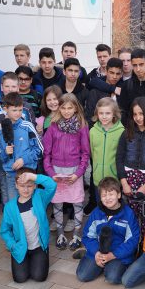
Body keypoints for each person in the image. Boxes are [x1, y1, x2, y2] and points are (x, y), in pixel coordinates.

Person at [43, 94, 91, 251]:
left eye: (70, 107)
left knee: (77, 203)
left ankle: (77, 234)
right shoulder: (53, 126)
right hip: (56, 172)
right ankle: (60, 233)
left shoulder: (82, 126)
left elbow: (85, 153)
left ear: (76, 107)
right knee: (57, 203)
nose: (66, 111)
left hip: (74, 172)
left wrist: (78, 174)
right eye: (63, 107)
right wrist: (51, 174)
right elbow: (46, 154)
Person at [76, 177, 139, 284]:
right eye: (104, 195)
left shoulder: (128, 214)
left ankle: (109, 266)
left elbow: (132, 241)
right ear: (100, 197)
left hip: (118, 254)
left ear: (119, 195)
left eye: (111, 194)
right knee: (83, 276)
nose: (107, 198)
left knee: (113, 278)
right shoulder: (96, 212)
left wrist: (112, 255)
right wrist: (96, 253)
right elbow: (88, 235)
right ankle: (91, 257)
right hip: (99, 251)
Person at [116, 97, 145, 236]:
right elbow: (119, 158)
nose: (138, 117)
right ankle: (128, 247)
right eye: (135, 114)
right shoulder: (126, 133)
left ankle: (144, 249)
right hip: (128, 180)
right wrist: (124, 183)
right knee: (128, 218)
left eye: (141, 113)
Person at [0, 169, 56, 283]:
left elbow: (52, 185)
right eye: (22, 186)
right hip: (20, 247)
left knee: (39, 277)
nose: (25, 189)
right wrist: (12, 245)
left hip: (38, 247)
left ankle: (38, 257)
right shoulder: (10, 207)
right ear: (16, 185)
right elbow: (4, 231)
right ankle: (26, 259)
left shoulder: (40, 197)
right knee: (20, 278)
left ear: (35, 186)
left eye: (29, 186)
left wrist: (33, 176)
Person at [0, 92, 43, 203]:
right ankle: (15, 220)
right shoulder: (0, 130)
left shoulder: (27, 126)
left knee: (30, 203)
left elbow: (39, 150)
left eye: (20, 110)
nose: (18, 113)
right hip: (11, 174)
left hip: (28, 172)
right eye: (14, 110)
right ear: (6, 109)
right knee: (13, 203)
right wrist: (5, 152)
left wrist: (24, 159)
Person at [88, 98, 125, 212]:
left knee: (114, 207)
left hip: (114, 178)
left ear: (114, 113)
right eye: (101, 113)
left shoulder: (122, 131)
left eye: (108, 113)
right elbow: (92, 153)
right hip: (98, 178)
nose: (104, 116)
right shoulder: (93, 131)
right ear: (97, 114)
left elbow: (122, 156)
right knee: (101, 207)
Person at [85, 58, 123, 125]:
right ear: (106, 71)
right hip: (98, 131)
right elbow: (89, 116)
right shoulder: (95, 92)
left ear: (121, 74)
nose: (114, 76)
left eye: (118, 74)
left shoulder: (123, 89)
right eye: (112, 73)